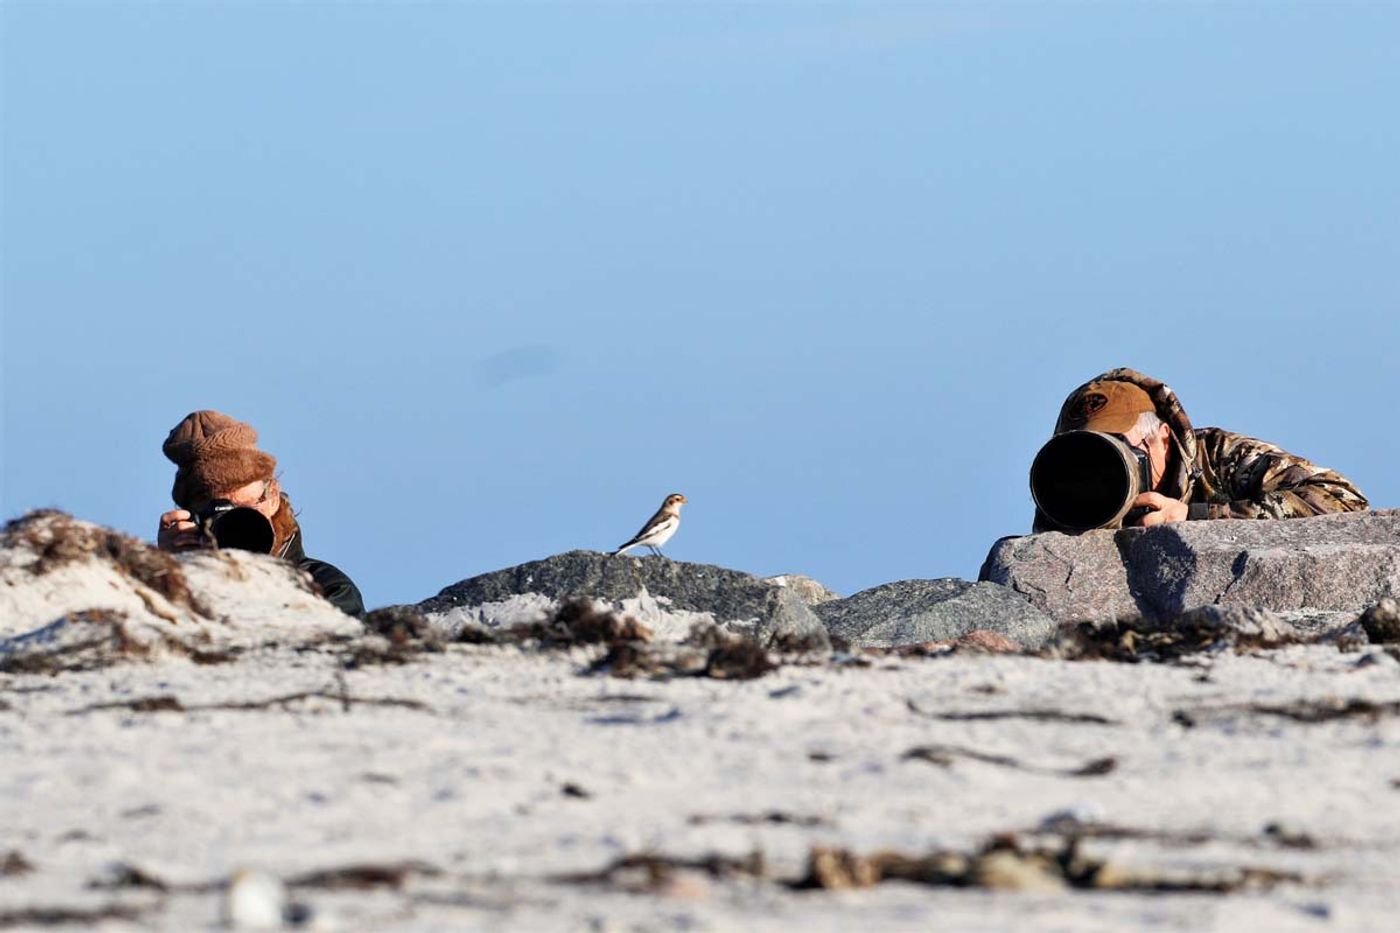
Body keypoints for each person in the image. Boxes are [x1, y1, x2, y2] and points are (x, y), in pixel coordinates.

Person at [1033, 368, 1368, 532]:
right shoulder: (1068, 493)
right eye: (1091, 450)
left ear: (1163, 439)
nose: (1101, 467)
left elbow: (1343, 500)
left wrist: (1195, 517)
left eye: (1119, 447)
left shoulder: (1219, 457)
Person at [156, 410, 365, 617]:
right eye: (221, 511)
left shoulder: (327, 588)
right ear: (191, 517)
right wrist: (169, 572)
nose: (237, 520)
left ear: (273, 495)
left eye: (246, 505)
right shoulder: (178, 588)